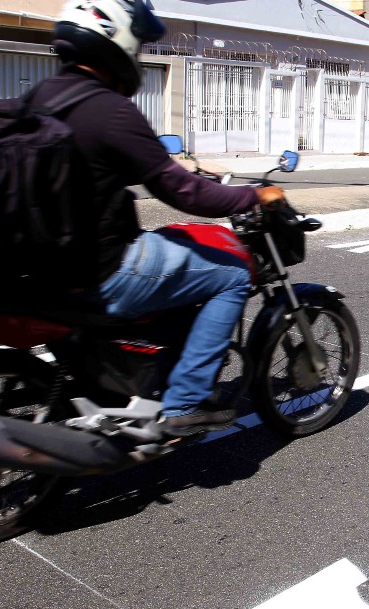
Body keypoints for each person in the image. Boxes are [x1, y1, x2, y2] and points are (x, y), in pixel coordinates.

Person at [29, 0, 284, 437]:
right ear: (119, 40)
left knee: (177, 253)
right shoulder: (109, 109)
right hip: (104, 269)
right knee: (231, 272)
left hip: (45, 266)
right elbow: (182, 192)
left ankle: (148, 373)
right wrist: (251, 196)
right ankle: (185, 401)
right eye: (140, 44)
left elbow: (102, 166)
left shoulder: (41, 99)